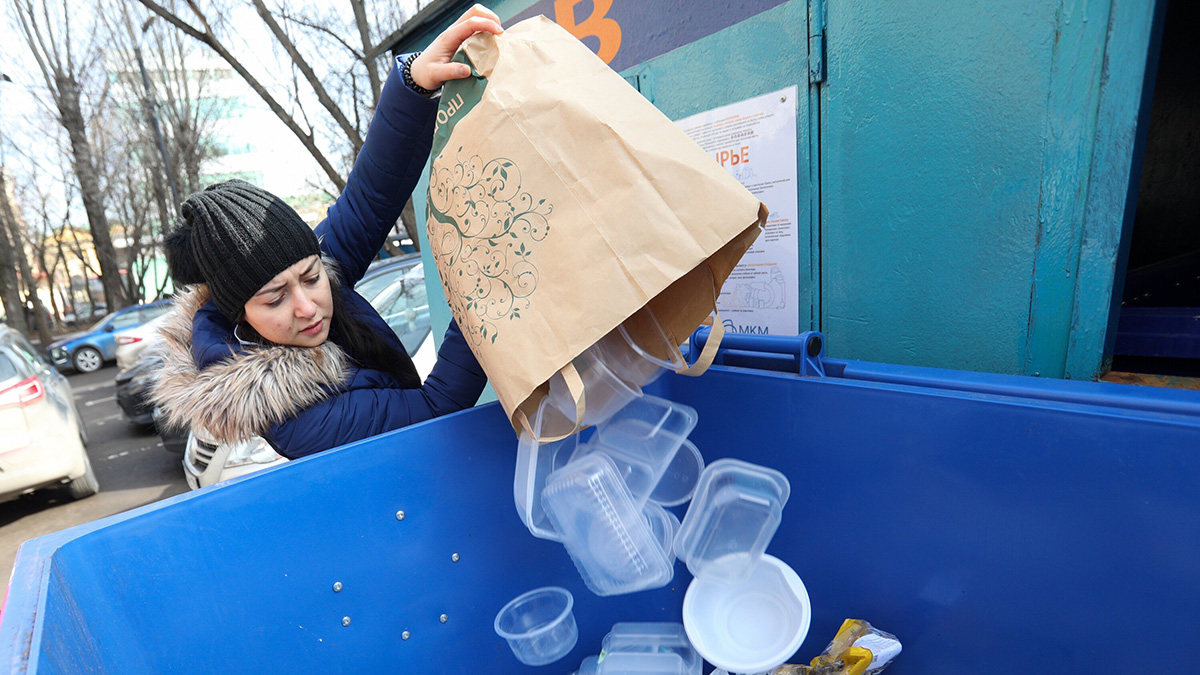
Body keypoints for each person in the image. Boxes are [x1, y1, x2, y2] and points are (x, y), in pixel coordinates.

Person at [153, 6, 502, 460]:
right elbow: (438, 407)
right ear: (241, 316)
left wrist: (412, 84)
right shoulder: (291, 415)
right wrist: (496, 279)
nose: (307, 306)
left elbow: (367, 201)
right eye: (275, 299)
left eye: (313, 277)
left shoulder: (299, 271)